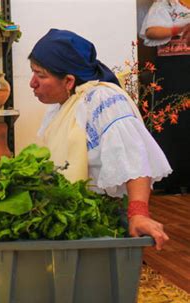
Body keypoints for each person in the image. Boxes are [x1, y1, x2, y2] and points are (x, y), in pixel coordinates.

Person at [28, 29, 172, 250]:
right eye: (32, 73)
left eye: (41, 75)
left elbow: (133, 156)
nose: (32, 83)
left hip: (104, 219)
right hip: (75, 217)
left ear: (68, 81)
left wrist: (138, 214)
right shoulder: (64, 106)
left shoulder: (103, 99)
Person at [139, 0, 190, 194]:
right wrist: (178, 28)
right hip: (173, 70)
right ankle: (171, 180)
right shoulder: (165, 5)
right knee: (173, 122)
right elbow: (151, 31)